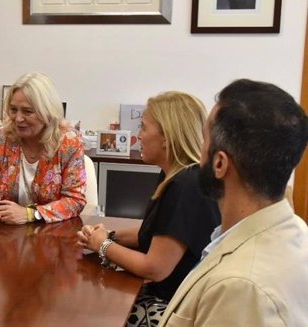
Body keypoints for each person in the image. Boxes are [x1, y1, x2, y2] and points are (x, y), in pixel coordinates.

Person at [160, 80, 308, 326]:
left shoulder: (240, 288)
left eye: (204, 139)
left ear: (220, 163)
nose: (199, 151)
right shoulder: (296, 232)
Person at [77, 92, 220, 326]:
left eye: (143, 127)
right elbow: (155, 233)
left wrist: (103, 245)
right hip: (168, 296)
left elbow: (155, 268)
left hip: (171, 308)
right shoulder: (177, 176)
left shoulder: (186, 187)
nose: (137, 135)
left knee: (92, 311)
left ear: (167, 137)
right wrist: (107, 236)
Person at [0, 72, 87, 224]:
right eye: (13, 110)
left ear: (47, 112)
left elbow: (75, 200)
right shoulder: (0, 139)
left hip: (50, 238)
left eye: (27, 111)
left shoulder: (69, 143)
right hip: (2, 236)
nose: (18, 118)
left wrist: (30, 214)